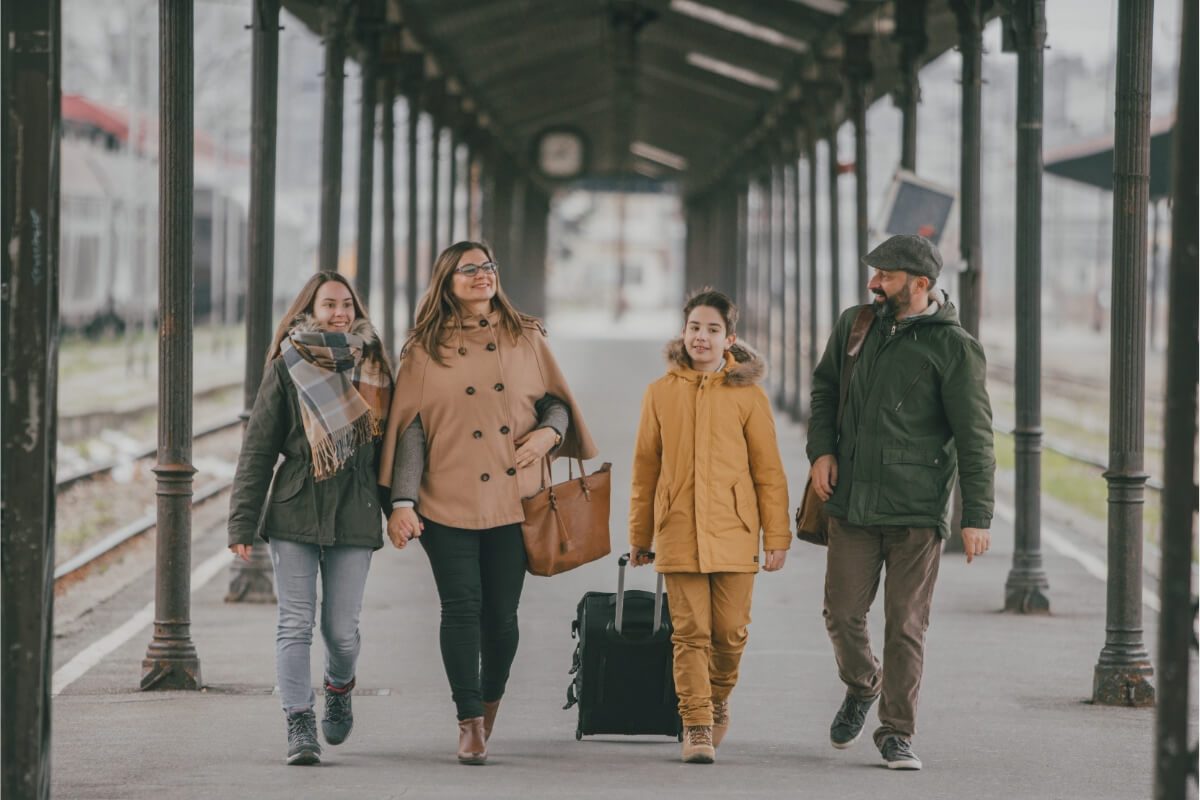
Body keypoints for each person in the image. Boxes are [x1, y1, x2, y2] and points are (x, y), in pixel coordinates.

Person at [378, 241, 597, 765]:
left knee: (500, 616)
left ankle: (490, 702)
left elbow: (555, 403)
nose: (482, 276)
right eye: (468, 270)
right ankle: (469, 719)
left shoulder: (525, 337)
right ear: (446, 284)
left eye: (488, 266)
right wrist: (402, 502)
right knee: (461, 609)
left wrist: (547, 435)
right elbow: (409, 429)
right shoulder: (423, 349)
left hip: (510, 498)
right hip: (444, 498)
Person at [807, 234, 995, 771]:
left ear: (920, 284)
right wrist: (821, 450)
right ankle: (863, 685)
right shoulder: (855, 324)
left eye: (885, 276)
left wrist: (977, 515)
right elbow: (824, 390)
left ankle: (896, 732)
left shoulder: (955, 347)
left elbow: (976, 435)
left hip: (917, 510)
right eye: (875, 274)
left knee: (905, 625)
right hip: (851, 502)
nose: (874, 284)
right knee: (842, 614)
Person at [227, 271, 394, 766]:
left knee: (341, 629)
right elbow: (258, 448)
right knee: (294, 623)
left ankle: (339, 685)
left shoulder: (377, 367)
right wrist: (241, 524)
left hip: (356, 508)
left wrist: (401, 508)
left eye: (347, 304)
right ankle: (299, 722)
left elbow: (393, 445)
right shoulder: (288, 365)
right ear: (310, 310)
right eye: (329, 305)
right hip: (296, 506)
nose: (339, 312)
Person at [628, 288, 790, 765]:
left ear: (730, 339)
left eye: (713, 329)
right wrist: (640, 535)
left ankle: (719, 697)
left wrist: (776, 537)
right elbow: (645, 469)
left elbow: (769, 471)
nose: (702, 336)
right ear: (683, 333)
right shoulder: (659, 393)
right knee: (690, 633)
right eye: (695, 327)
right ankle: (696, 722)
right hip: (678, 529)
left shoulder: (748, 396)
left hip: (735, 531)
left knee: (731, 632)